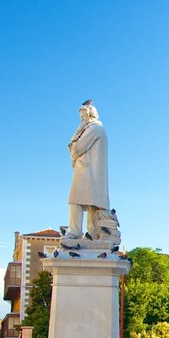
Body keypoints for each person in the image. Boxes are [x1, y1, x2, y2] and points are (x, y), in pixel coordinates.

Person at [65, 100, 109, 240]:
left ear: (91, 115)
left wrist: (75, 137)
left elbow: (77, 149)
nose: (82, 120)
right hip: (90, 171)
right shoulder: (94, 129)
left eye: (83, 117)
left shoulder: (94, 129)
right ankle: (91, 233)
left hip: (87, 170)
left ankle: (75, 231)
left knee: (76, 200)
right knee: (91, 202)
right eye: (81, 117)